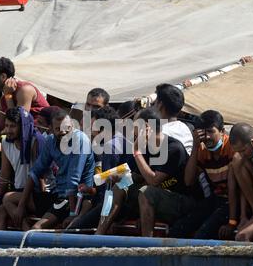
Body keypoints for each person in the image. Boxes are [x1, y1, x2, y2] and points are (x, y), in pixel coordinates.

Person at [95, 108, 193, 236]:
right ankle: (99, 234)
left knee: (146, 192)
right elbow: (138, 177)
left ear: (146, 127)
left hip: (179, 202)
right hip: (153, 197)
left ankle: (147, 243)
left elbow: (153, 181)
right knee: (120, 186)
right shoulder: (146, 146)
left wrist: (137, 152)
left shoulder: (174, 148)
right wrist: (120, 177)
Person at [0, 109, 95, 230]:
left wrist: (73, 214)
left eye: (67, 128)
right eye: (58, 129)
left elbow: (73, 179)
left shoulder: (80, 140)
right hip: (58, 195)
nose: (63, 132)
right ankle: (24, 232)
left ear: (72, 126)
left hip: (78, 197)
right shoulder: (50, 141)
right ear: (51, 129)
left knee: (36, 229)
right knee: (7, 198)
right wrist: (21, 206)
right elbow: (34, 172)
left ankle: (27, 239)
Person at [0, 107, 46, 229]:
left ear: (22, 127)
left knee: (1, 212)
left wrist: (21, 204)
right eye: (6, 125)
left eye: (12, 126)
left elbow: (39, 177)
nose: (7, 130)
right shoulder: (6, 143)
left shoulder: (36, 141)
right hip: (18, 191)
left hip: (37, 192)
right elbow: (5, 173)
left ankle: (27, 239)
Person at [169, 110, 237, 239]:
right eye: (203, 133)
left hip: (234, 202)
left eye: (211, 132)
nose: (207, 137)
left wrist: (232, 222)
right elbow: (188, 180)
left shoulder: (232, 148)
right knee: (178, 229)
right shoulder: (201, 150)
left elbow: (237, 190)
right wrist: (195, 146)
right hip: (216, 200)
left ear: (222, 131)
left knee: (202, 235)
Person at [0, 57, 49, 136]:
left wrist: (8, 95)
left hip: (43, 139)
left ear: (3, 77)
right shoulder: (2, 100)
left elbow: (19, 123)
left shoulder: (25, 90)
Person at [153, 83, 193, 155]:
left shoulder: (160, 133)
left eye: (155, 102)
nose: (153, 106)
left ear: (160, 105)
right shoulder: (185, 128)